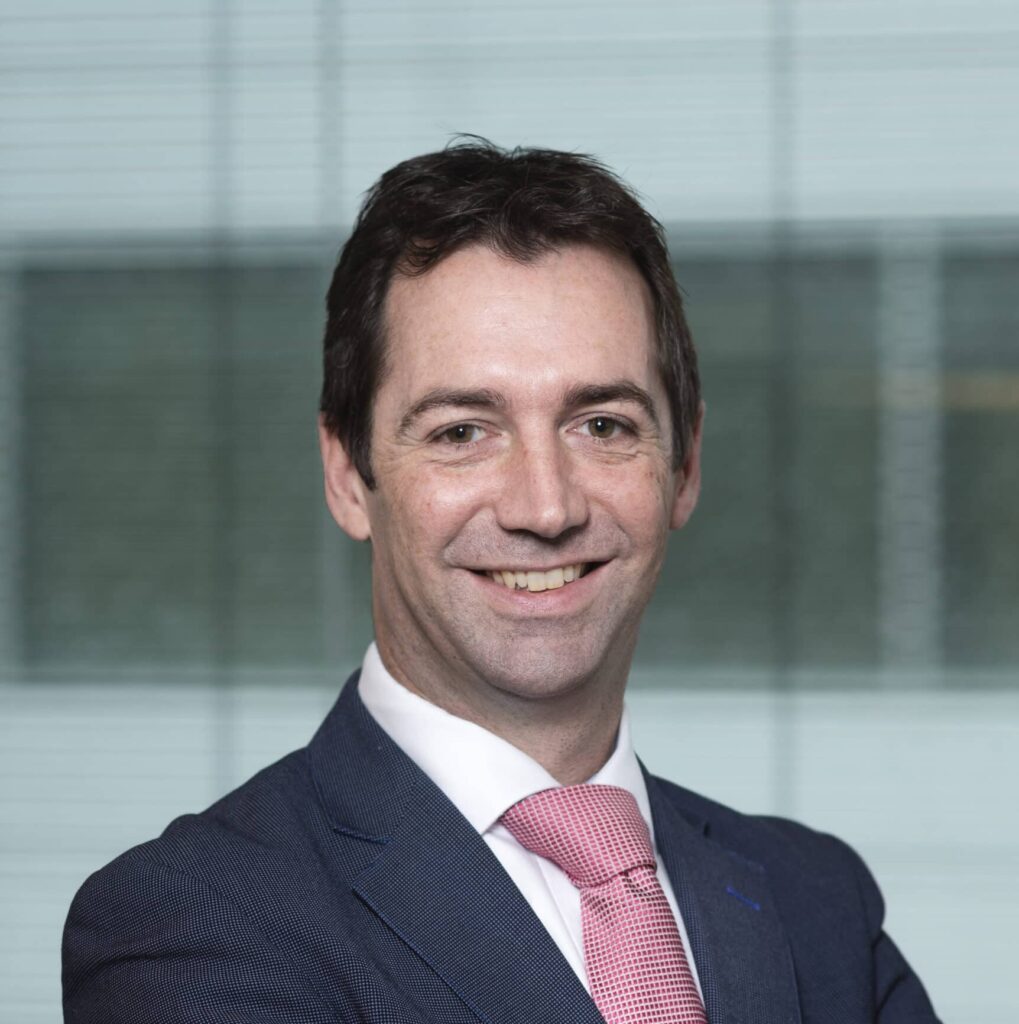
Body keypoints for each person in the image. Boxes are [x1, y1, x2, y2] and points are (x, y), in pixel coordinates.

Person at [62, 141, 941, 1023]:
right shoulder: (193, 925)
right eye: (461, 432)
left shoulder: (819, 907)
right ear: (346, 475)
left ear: (683, 467)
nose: (545, 507)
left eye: (602, 425)